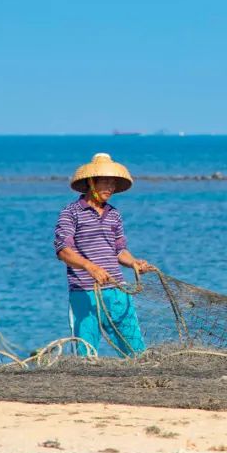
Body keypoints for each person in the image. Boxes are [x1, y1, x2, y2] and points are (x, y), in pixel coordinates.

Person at [54, 153, 153, 357]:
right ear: (91, 182)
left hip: (117, 291)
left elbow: (119, 251)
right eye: (105, 182)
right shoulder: (70, 212)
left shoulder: (114, 214)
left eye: (113, 183)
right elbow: (63, 251)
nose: (110, 187)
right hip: (85, 293)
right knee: (85, 353)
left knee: (137, 353)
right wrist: (91, 267)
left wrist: (134, 263)